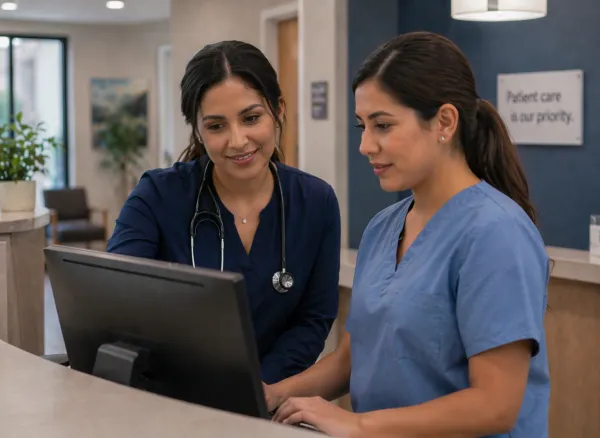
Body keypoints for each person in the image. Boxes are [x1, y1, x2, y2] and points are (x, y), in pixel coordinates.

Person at [266, 31, 550, 437]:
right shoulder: (383, 227)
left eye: (382, 125)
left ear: (444, 122)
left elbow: (496, 405)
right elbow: (353, 358)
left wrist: (358, 424)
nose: (365, 144)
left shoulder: (496, 234)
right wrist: (272, 395)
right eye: (362, 125)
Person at [106, 40, 341, 385]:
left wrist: (256, 390)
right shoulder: (157, 196)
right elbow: (115, 301)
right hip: (170, 398)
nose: (238, 140)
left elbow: (313, 320)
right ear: (197, 130)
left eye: (251, 118)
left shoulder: (316, 201)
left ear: (278, 109)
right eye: (216, 126)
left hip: (269, 399)